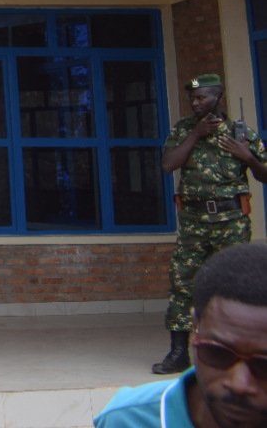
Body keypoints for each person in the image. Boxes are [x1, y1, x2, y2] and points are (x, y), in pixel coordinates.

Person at [152, 74, 267, 375]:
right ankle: (178, 353)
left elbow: (264, 174)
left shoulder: (241, 133)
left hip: (231, 221)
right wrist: (195, 135)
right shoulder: (184, 130)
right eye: (193, 98)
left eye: (202, 97)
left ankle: (242, 349)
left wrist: (249, 158)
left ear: (218, 97)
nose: (195, 102)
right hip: (193, 222)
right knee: (183, 283)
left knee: (237, 285)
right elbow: (168, 165)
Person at [96, 242, 267, 428]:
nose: (239, 384)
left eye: (263, 365)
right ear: (195, 328)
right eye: (218, 353)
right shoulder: (128, 420)